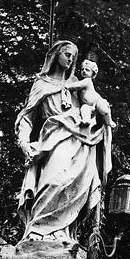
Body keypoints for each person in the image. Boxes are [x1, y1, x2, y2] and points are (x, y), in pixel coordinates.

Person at [15, 40, 112, 243]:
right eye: (67, 54)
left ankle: (62, 232)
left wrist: (102, 116)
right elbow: (27, 117)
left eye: (73, 57)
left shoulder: (76, 84)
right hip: (54, 138)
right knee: (54, 180)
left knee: (74, 189)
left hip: (80, 141)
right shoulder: (42, 84)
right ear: (55, 54)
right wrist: (24, 143)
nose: (70, 59)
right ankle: (39, 231)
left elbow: (91, 104)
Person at [67, 59, 116, 128]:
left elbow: (78, 85)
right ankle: (86, 120)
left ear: (92, 73)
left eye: (87, 70)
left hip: (97, 101)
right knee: (84, 108)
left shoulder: (87, 81)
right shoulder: (83, 80)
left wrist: (68, 86)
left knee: (103, 110)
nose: (84, 71)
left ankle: (109, 121)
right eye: (82, 69)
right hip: (88, 105)